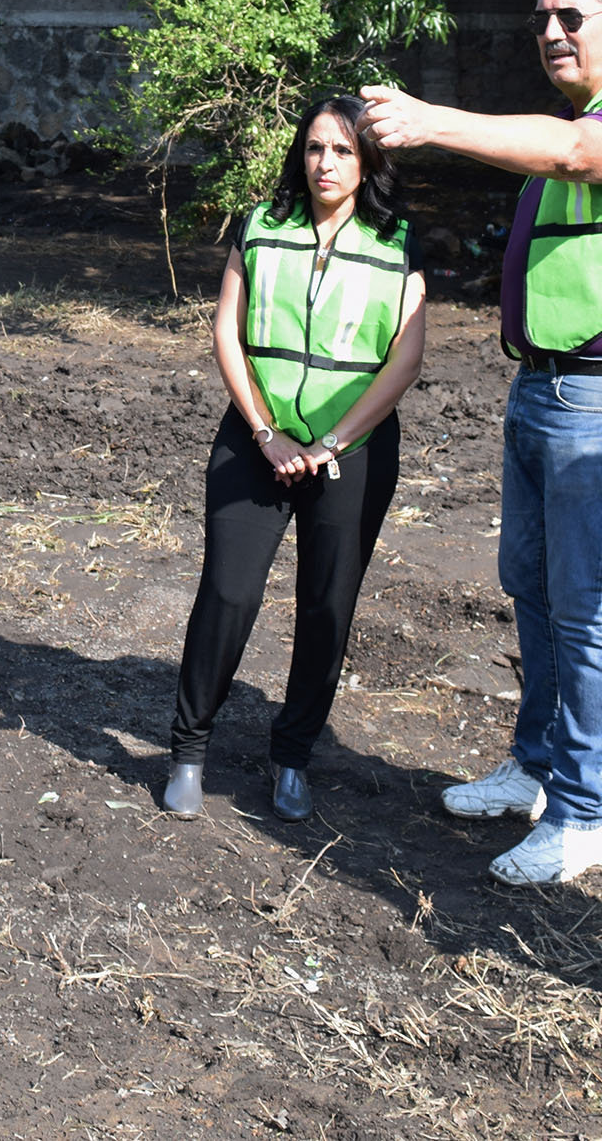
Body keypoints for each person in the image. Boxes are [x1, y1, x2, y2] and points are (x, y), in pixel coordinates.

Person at [359, 0, 602, 885]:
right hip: (549, 390)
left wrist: (432, 120)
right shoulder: (574, 122)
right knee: (537, 588)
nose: (552, 33)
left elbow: (573, 156)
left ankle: (589, 814)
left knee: (590, 605)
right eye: (541, 21)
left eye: (571, 17)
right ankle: (538, 767)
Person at [163, 96, 428, 824]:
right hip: (257, 437)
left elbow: (405, 358)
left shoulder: (397, 241)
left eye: (343, 151)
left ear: (368, 160)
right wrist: (265, 432)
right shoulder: (260, 228)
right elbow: (226, 329)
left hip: (351, 451)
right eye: (315, 148)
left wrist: (327, 444)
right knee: (228, 590)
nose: (326, 164)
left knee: (326, 605)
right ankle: (188, 748)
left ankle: (293, 756)